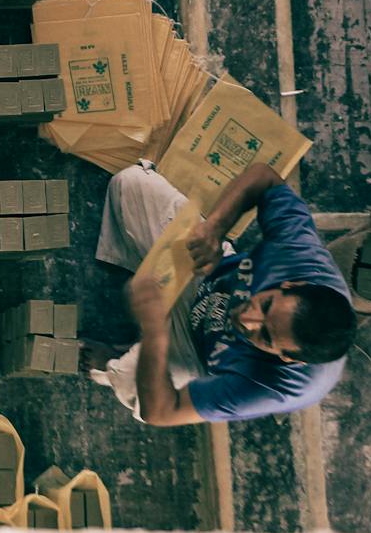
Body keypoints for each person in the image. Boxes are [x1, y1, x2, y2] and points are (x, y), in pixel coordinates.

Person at [91, 160, 356, 426]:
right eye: (265, 305)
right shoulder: (299, 255)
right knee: (130, 185)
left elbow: (160, 412)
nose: (246, 320)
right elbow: (264, 177)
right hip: (208, 273)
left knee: (133, 382)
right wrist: (214, 230)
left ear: (286, 358)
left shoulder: (273, 387)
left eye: (265, 336)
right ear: (292, 285)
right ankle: (137, 273)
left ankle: (119, 359)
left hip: (198, 353)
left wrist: (155, 333)